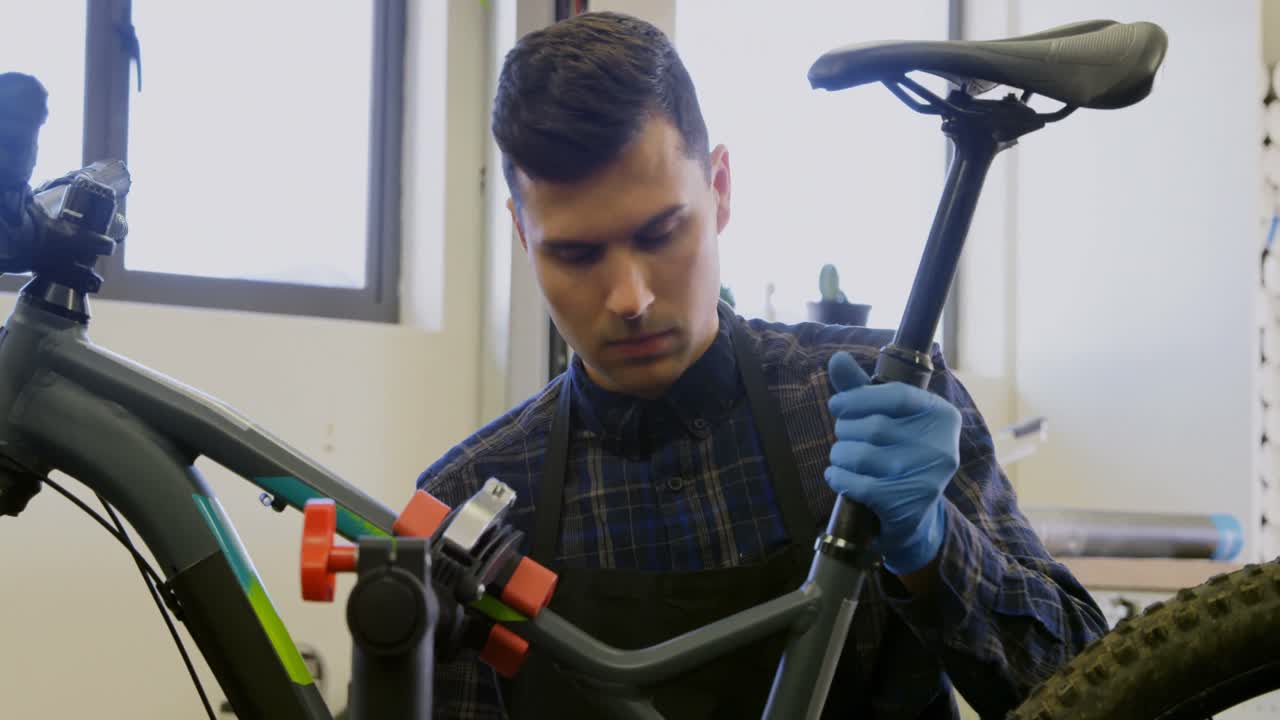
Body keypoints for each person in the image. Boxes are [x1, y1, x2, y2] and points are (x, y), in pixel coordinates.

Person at [417, 11, 1107, 719]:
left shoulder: (876, 407)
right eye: (576, 253)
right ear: (521, 233)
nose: (631, 297)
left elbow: (1104, 694)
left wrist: (935, 552)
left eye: (661, 232)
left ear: (719, 188)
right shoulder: (470, 507)